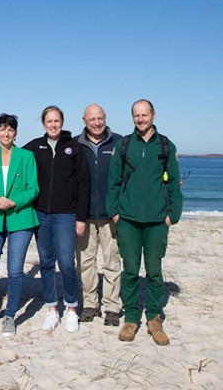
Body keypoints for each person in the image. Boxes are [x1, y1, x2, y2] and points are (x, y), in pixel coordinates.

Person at [107, 99, 182, 345]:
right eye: (136, 115)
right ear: (133, 117)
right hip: (127, 220)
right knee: (129, 271)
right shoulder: (124, 145)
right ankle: (130, 318)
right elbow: (113, 182)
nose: (141, 119)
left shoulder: (165, 146)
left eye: (145, 114)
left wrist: (173, 216)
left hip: (157, 221)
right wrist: (115, 213)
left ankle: (153, 318)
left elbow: (173, 184)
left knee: (153, 271)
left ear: (153, 115)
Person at [23, 106, 90, 333]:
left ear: (62, 122)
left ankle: (71, 309)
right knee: (47, 263)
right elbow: (12, 158)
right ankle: (52, 309)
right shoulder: (34, 146)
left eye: (56, 121)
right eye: (49, 121)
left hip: (65, 215)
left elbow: (83, 184)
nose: (53, 125)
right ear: (43, 123)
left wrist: (80, 217)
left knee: (67, 263)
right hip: (41, 214)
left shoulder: (74, 148)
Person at [0, 114, 40, 338]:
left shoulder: (27, 156)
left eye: (10, 130)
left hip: (20, 217)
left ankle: (10, 314)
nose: (6, 133)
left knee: (15, 270)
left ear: (15, 132)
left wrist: (13, 201)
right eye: (2, 129)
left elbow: (33, 189)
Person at [75, 104, 122, 326]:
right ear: (84, 120)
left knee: (112, 262)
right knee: (85, 263)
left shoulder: (120, 142)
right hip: (83, 216)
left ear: (105, 118)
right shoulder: (75, 144)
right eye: (92, 119)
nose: (96, 122)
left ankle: (112, 307)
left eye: (100, 118)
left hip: (111, 215)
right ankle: (91, 304)